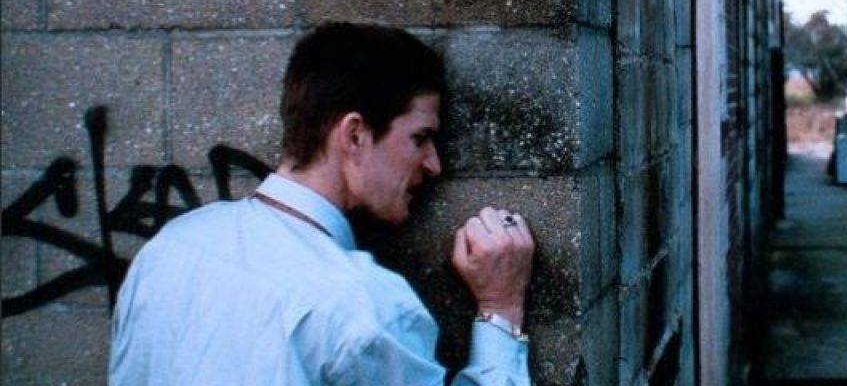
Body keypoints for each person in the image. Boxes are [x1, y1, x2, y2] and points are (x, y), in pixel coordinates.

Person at [109, 22, 535, 385]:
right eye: (419, 138)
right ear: (354, 135)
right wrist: (500, 308)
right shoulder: (365, 307)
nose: (433, 164)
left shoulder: (172, 246)